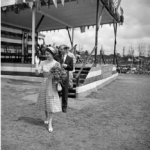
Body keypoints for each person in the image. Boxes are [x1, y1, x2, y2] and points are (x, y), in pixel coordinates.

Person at [35, 46, 62, 132]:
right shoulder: (42, 62)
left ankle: (50, 123)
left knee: (51, 103)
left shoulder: (57, 63)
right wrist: (36, 63)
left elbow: (60, 75)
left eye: (48, 54)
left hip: (53, 85)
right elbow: (37, 73)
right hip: (44, 84)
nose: (46, 55)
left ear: (53, 54)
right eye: (46, 54)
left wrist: (56, 77)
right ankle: (46, 117)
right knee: (45, 103)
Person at [59, 45, 73, 113]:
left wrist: (67, 66)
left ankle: (64, 107)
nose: (60, 50)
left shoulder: (70, 58)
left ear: (65, 50)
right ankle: (56, 106)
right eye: (60, 49)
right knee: (57, 91)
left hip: (65, 76)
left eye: (61, 49)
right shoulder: (57, 57)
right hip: (57, 76)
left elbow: (71, 68)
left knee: (65, 93)